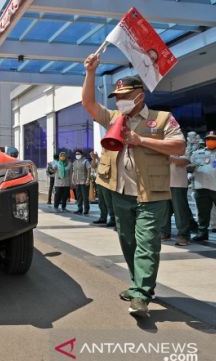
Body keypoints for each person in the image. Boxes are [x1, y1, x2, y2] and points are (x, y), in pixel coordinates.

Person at [82, 53, 185, 318]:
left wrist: (141, 140)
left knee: (147, 242)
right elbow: (89, 104)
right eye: (117, 97)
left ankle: (140, 294)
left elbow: (178, 146)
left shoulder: (162, 119)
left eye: (125, 96)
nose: (120, 101)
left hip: (152, 194)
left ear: (140, 95)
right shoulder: (115, 118)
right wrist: (90, 72)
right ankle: (140, 284)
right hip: (120, 192)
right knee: (127, 241)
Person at [161, 152, 195, 246]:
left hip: (178, 184)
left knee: (180, 211)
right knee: (164, 211)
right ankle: (164, 232)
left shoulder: (181, 148)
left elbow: (183, 161)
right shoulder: (159, 147)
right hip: (162, 183)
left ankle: (183, 235)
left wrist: (167, 156)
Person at [72, 149, 91, 215]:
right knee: (79, 196)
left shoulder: (85, 161)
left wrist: (88, 179)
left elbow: (89, 170)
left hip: (84, 181)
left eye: (78, 154)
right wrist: (73, 179)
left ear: (81, 154)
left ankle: (86, 209)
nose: (77, 155)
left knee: (85, 196)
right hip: (77, 182)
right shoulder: (74, 162)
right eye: (76, 154)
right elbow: (74, 171)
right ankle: (79, 209)